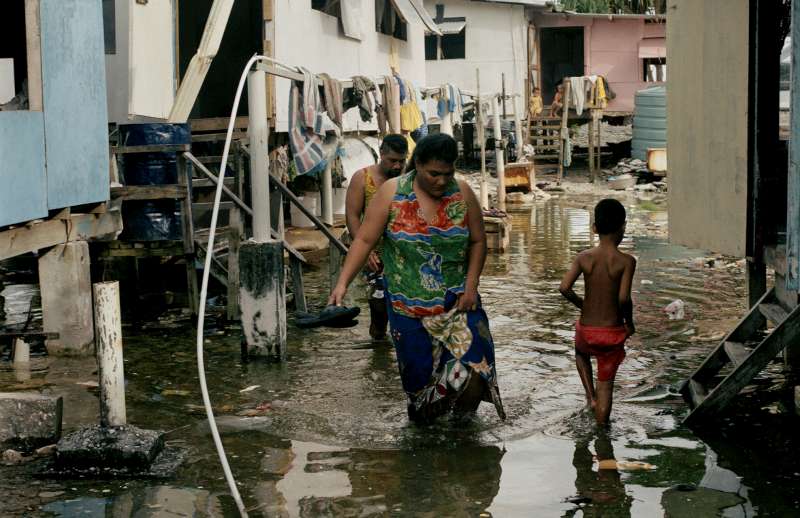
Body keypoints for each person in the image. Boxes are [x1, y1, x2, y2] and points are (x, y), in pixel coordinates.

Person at [330, 134, 505, 423]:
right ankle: (427, 447)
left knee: (475, 369)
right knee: (421, 392)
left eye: (447, 174)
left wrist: (471, 285)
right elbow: (363, 240)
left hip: (458, 302)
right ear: (418, 165)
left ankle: (463, 436)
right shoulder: (391, 193)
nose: (440, 181)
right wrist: (342, 283)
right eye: (433, 174)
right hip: (406, 307)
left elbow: (477, 241)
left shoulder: (462, 193)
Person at [559, 199, 636, 426]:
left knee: (580, 353)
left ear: (594, 227)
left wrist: (583, 305)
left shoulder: (584, 257)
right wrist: (629, 323)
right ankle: (603, 438)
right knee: (607, 387)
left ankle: (590, 397)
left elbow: (564, 288)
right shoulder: (626, 261)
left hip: (586, 330)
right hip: (611, 333)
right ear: (623, 227)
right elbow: (623, 298)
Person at [344, 134, 408, 340]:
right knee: (379, 311)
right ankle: (379, 357)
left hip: (404, 254)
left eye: (402, 161)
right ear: (381, 154)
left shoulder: (409, 179)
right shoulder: (362, 178)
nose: (397, 166)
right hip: (375, 255)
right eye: (392, 161)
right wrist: (366, 251)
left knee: (406, 312)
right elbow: (353, 217)